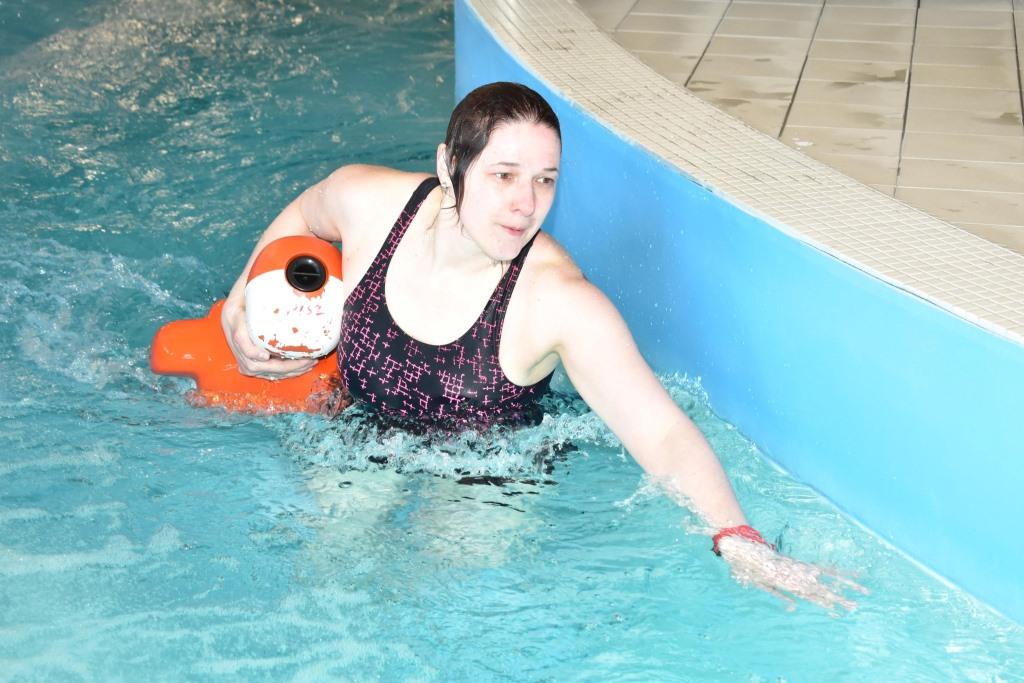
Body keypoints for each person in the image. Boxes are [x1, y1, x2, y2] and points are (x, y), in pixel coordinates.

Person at [221, 81, 865, 611]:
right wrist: (237, 306)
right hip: (364, 427)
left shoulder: (558, 300)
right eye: (503, 175)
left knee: (433, 600)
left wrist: (738, 538)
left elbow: (662, 432)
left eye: (546, 180)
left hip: (487, 472)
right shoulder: (368, 203)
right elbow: (305, 213)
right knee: (323, 571)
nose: (525, 204)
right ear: (449, 166)